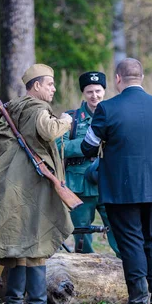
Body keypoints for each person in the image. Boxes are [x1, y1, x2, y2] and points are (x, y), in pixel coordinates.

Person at [0, 64, 74, 304]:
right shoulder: (36, 108)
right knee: (36, 243)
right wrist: (65, 121)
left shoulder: (15, 108)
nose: (53, 89)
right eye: (50, 84)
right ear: (36, 86)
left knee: (20, 244)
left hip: (18, 184)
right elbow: (49, 131)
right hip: (33, 184)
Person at [81, 58, 152, 304]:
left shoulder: (107, 109)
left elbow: (87, 146)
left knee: (131, 243)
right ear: (142, 77)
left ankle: (137, 303)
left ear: (117, 79)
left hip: (121, 189)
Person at [57, 71, 119, 257]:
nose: (95, 96)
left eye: (98, 91)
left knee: (118, 227)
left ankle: (126, 266)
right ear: (83, 93)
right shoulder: (71, 118)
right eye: (90, 91)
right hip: (80, 184)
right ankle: (84, 267)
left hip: (109, 182)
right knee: (82, 233)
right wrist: (87, 146)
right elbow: (59, 147)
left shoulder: (114, 115)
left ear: (104, 91)